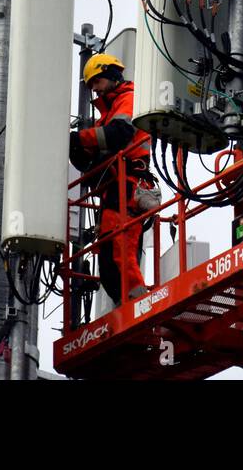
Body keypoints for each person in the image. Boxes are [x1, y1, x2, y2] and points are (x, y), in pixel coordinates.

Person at [69, 53, 154, 306]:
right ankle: (128, 306)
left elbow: (119, 134)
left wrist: (80, 139)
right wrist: (77, 146)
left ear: (111, 75)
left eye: (96, 82)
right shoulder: (107, 112)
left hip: (128, 184)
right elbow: (97, 152)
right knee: (108, 260)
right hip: (114, 188)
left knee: (119, 252)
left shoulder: (128, 99)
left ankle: (139, 306)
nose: (94, 89)